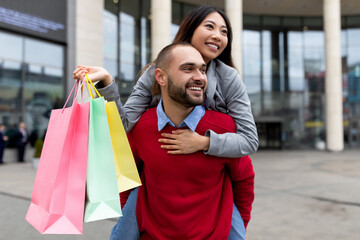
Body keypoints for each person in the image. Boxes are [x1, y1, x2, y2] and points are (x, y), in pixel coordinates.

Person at [73, 5, 258, 239]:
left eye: (224, 31)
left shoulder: (228, 78)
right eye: (209, 26)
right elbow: (125, 127)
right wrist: (108, 83)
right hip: (159, 170)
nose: (218, 35)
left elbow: (249, 141)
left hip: (214, 166)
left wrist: (202, 142)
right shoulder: (155, 73)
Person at [124, 42, 254, 239]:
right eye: (188, 68)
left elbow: (244, 181)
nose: (200, 77)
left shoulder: (225, 128)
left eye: (203, 70)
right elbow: (125, 178)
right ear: (161, 77)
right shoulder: (141, 128)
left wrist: (237, 227)